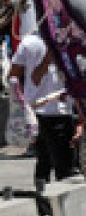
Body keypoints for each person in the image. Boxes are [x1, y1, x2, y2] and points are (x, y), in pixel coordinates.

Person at [9, 32, 77, 190]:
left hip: (45, 113)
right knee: (62, 168)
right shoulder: (32, 42)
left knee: (45, 163)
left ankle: (44, 208)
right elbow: (15, 76)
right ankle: (51, 208)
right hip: (54, 114)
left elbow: (13, 76)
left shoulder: (29, 42)